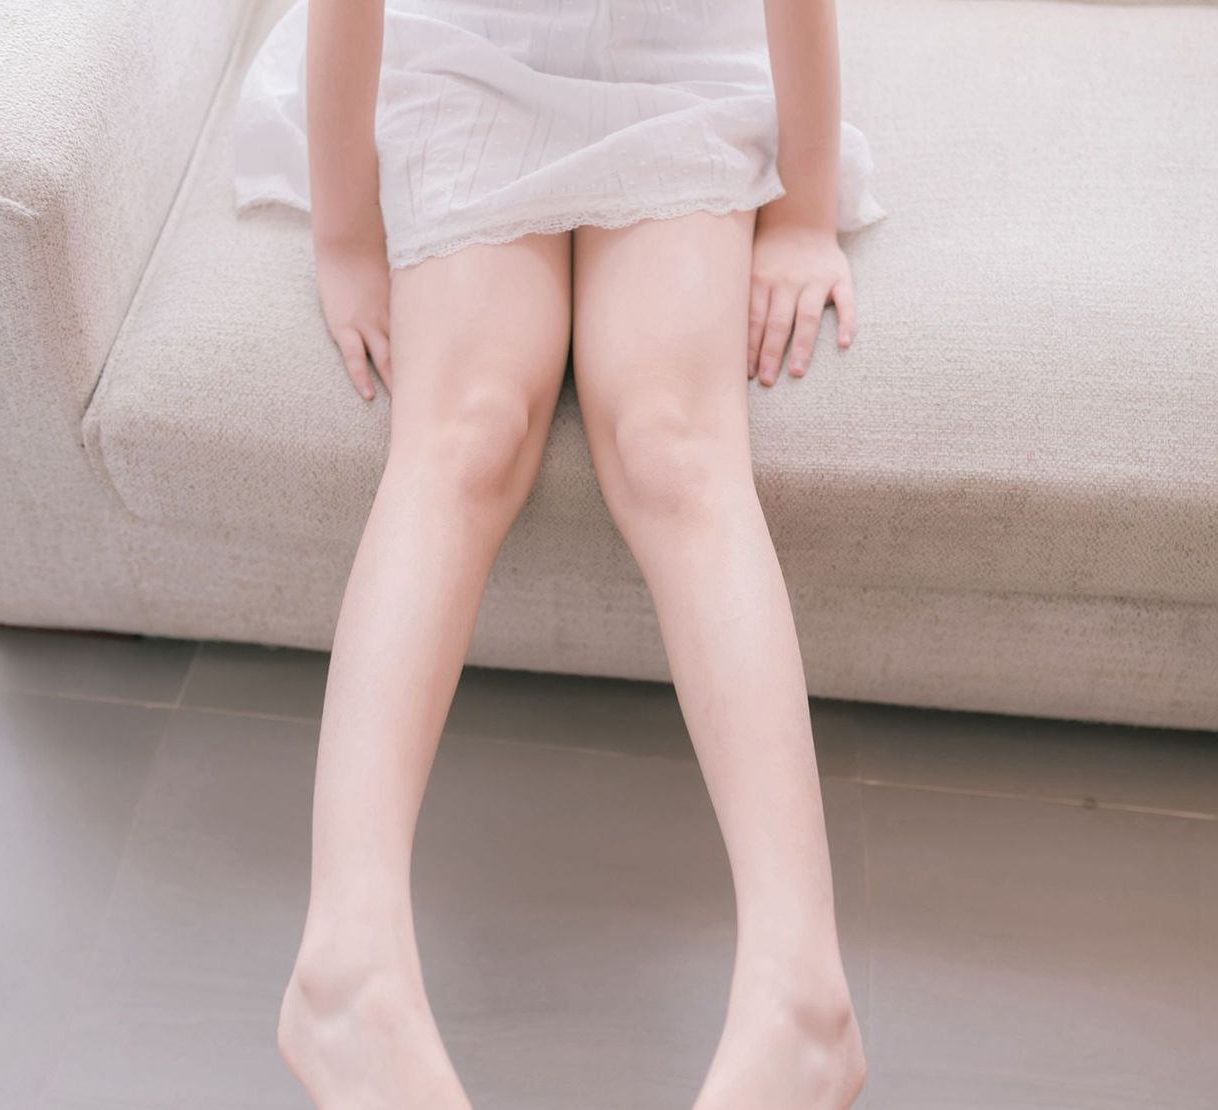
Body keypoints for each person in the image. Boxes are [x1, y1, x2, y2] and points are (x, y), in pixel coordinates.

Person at [233, 1, 885, 1106]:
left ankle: (802, 996)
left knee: (672, 443)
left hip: (679, 52)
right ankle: (348, 964)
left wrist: (803, 210)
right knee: (468, 431)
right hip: (466, 49)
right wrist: (344, 235)